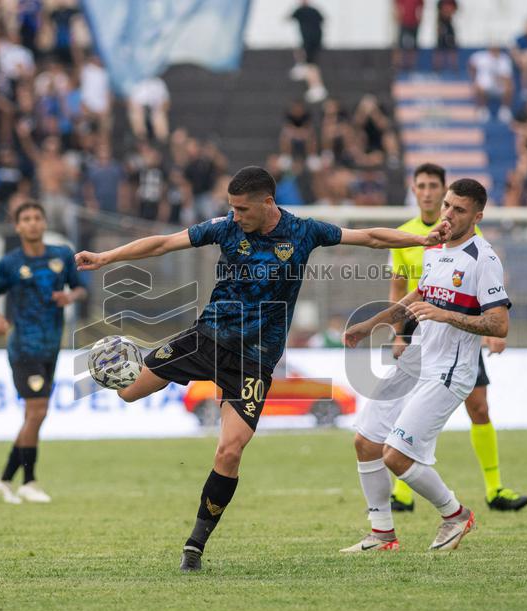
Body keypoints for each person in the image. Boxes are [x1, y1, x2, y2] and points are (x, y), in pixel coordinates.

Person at [73, 166, 450, 571]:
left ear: (268, 203)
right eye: (232, 208)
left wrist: (421, 238)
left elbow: (372, 237)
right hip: (207, 340)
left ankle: (194, 547)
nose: (235, 216)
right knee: (128, 392)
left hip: (254, 361)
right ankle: (138, 366)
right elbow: (164, 243)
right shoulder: (225, 227)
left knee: (229, 450)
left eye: (242, 209)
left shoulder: (305, 232)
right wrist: (107, 257)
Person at [340, 178, 510, 553]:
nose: (448, 213)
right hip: (417, 359)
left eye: (459, 210)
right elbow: (419, 295)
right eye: (448, 205)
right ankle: (382, 533)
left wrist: (445, 315)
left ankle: (456, 515)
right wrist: (372, 325)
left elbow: (499, 324)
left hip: (449, 369)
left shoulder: (483, 259)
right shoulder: (434, 248)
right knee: (365, 441)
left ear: (477, 216)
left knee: (396, 455)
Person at [0, 201, 86, 505]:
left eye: (36, 218)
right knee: (38, 411)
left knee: (33, 415)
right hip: (23, 347)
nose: (32, 223)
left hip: (51, 345)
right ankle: (28, 482)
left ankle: (4, 480)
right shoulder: (10, 263)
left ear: (44, 223)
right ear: (17, 227)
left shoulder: (61, 256)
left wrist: (70, 296)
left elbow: (81, 288)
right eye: (25, 219)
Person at [289, 1, 328, 103]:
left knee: (310, 65)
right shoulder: (314, 11)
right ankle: (314, 84)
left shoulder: (301, 11)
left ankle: (316, 87)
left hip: (309, 41)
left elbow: (288, 18)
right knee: (307, 60)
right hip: (315, 40)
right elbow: (323, 20)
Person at [469, 44, 514, 123]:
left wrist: (500, 79)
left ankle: (505, 110)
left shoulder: (504, 59)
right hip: (485, 85)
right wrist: (474, 79)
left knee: (509, 86)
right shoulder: (480, 57)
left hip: (499, 85)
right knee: (478, 86)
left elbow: (507, 77)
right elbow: (471, 64)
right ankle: (482, 109)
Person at [393, 0, 425, 72]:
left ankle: (413, 66)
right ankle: (396, 66)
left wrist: (420, 16)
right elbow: (396, 5)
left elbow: (421, 6)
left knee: (414, 46)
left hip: (414, 22)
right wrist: (397, 15)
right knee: (399, 45)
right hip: (403, 22)